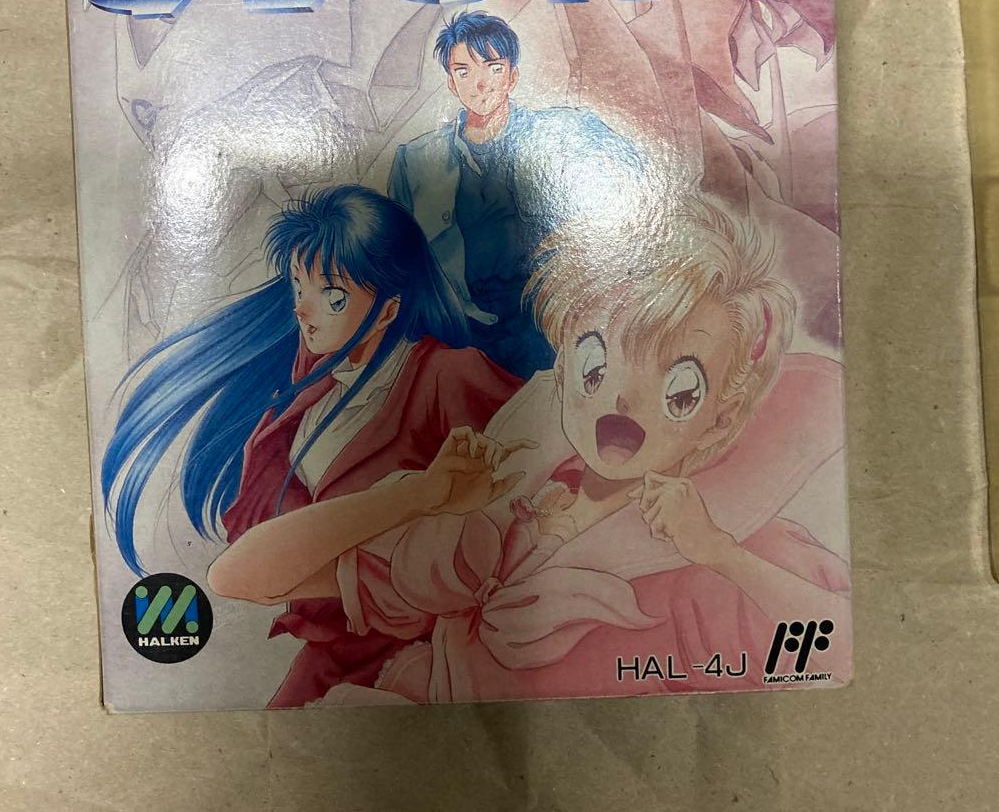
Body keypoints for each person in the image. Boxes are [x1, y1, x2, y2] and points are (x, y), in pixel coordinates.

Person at [290, 195, 851, 704]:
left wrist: (721, 553)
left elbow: (839, 649)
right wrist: (422, 500)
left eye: (679, 390)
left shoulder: (722, 552)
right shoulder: (517, 489)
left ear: (720, 417)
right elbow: (265, 578)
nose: (623, 399)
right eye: (596, 364)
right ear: (562, 361)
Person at [102, 184, 523, 707]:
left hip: (424, 650)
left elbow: (529, 474)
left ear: (388, 310)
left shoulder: (446, 375)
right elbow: (258, 560)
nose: (302, 309)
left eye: (332, 295)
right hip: (335, 641)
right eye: (298, 286)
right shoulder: (315, 389)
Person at [387, 10, 644, 380]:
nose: (479, 83)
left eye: (493, 67)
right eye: (463, 71)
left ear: (512, 76)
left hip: (554, 335)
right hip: (463, 342)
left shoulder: (562, 133)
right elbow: (400, 267)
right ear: (451, 83)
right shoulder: (414, 162)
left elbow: (636, 178)